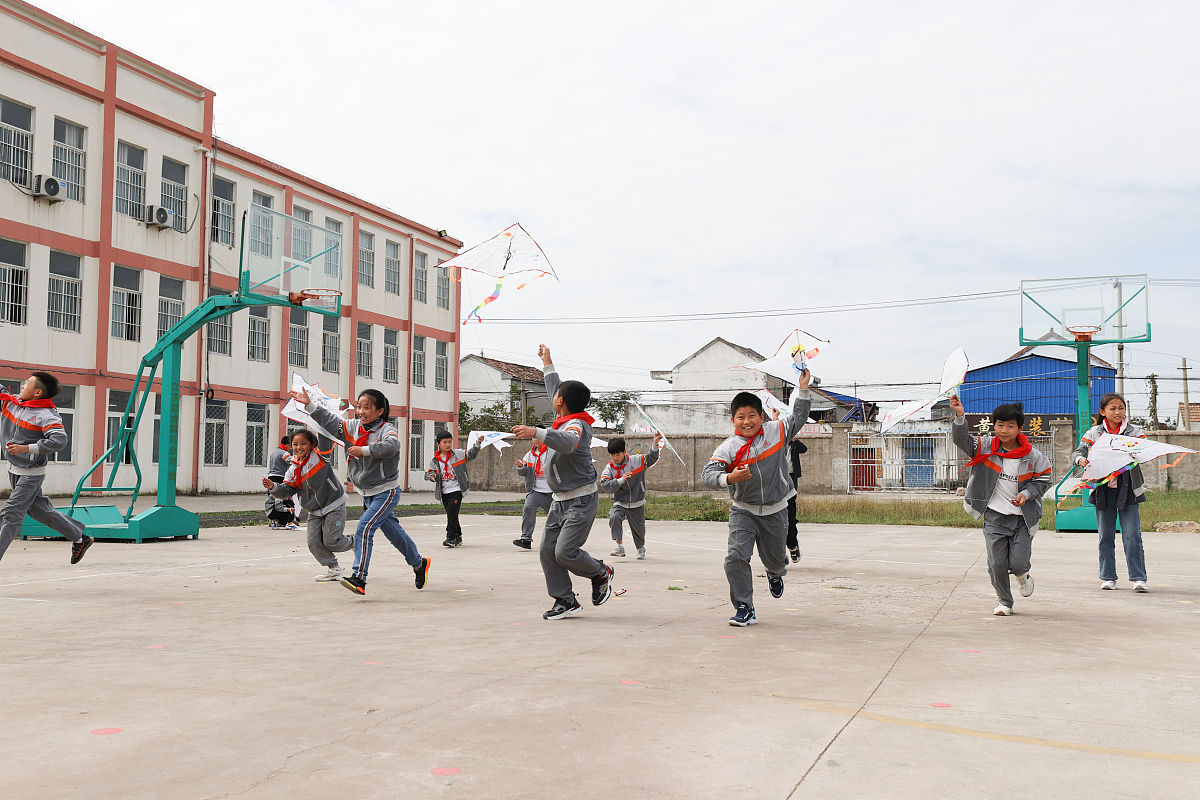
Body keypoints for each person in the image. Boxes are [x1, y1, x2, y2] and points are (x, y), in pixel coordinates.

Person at [701, 371, 812, 627]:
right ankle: (744, 606)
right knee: (736, 556)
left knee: (775, 560)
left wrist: (803, 389)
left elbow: (798, 417)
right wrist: (730, 478)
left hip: (776, 510)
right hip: (744, 511)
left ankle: (775, 572)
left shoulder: (777, 431)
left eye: (752, 415)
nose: (747, 421)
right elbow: (708, 474)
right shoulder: (728, 447)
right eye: (741, 417)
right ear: (733, 420)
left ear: (762, 417)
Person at [511, 344, 614, 621]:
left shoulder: (575, 426)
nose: (553, 395)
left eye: (556, 395)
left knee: (565, 552)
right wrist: (548, 362)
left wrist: (536, 432)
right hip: (560, 500)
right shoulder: (563, 415)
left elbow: (568, 443)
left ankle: (600, 572)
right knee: (547, 551)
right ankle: (565, 600)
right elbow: (554, 386)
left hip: (581, 499)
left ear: (561, 402)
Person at [295, 386, 430, 597]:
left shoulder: (387, 429)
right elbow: (330, 421)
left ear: (380, 411)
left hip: (386, 491)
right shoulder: (352, 427)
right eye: (359, 407)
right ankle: (419, 563)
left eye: (367, 407)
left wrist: (364, 450)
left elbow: (392, 445)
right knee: (394, 533)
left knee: (364, 528)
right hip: (366, 493)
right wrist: (310, 405)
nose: (361, 411)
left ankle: (359, 578)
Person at [950, 396, 1052, 616]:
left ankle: (1023, 575)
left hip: (1023, 518)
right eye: (1000, 425)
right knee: (996, 564)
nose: (1004, 430)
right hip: (994, 516)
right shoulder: (985, 447)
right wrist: (959, 415)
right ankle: (1004, 601)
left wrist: (1026, 494)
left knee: (1018, 563)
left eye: (1010, 426)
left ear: (1020, 428)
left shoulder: (1034, 456)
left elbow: (1043, 480)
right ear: (993, 425)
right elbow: (961, 440)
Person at [0, 372, 92, 565]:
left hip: (31, 474)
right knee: (38, 510)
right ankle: (80, 538)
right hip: (15, 469)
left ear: (37, 392)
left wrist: (28, 448)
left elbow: (59, 441)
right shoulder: (12, 402)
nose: (22, 386)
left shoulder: (46, 416)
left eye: (27, 383)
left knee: (11, 513)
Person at [1072, 392, 1150, 592]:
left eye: (1121, 408)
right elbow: (1079, 451)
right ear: (1102, 411)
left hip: (1130, 489)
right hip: (1102, 489)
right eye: (1112, 408)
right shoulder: (1094, 433)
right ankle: (1108, 577)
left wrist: (1137, 453)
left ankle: (1138, 578)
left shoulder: (1135, 431)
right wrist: (1080, 460)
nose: (1117, 412)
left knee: (1132, 535)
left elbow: (1145, 452)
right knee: (1105, 536)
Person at [263, 429, 354, 581]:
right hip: (314, 510)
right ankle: (334, 568)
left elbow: (325, 436)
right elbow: (287, 490)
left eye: (303, 443)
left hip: (334, 504)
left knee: (332, 542)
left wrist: (320, 421)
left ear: (312, 445)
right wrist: (273, 487)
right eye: (295, 444)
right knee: (313, 543)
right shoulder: (293, 468)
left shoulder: (320, 456)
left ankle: (356, 542)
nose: (299, 447)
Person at [599, 433, 661, 559]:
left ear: (624, 452)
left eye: (618, 455)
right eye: (612, 455)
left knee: (639, 529)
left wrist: (655, 443)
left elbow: (651, 458)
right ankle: (620, 547)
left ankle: (640, 548)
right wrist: (620, 480)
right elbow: (605, 484)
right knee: (614, 517)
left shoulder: (636, 461)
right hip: (620, 502)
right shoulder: (609, 468)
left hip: (637, 502)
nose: (615, 458)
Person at [424, 430, 482, 547]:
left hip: (457, 489)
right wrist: (432, 476)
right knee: (452, 514)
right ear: (438, 444)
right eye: (445, 442)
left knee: (451, 512)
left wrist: (477, 444)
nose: (448, 444)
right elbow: (429, 473)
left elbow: (471, 454)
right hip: (444, 492)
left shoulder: (458, 454)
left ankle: (450, 537)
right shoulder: (435, 460)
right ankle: (458, 537)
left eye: (449, 442)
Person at [772, 409, 809, 563]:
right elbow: (773, 431)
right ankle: (778, 555)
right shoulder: (775, 444)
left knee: (790, 520)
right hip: (775, 483)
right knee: (773, 522)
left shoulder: (794, 444)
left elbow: (804, 449)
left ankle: (793, 545)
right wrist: (775, 417)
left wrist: (794, 439)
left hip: (790, 482)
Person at [513, 436, 551, 550]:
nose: (536, 440)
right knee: (528, 507)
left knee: (558, 516)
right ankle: (526, 539)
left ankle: (565, 540)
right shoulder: (529, 455)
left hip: (553, 492)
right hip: (536, 490)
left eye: (538, 437)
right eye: (534, 438)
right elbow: (524, 472)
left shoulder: (552, 453)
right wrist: (520, 467)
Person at [265, 435, 301, 530]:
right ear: (288, 445)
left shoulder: (274, 453)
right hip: (279, 478)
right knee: (284, 500)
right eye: (292, 445)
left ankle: (275, 520)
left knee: (272, 500)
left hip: (271, 477)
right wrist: (299, 459)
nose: (291, 448)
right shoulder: (284, 453)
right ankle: (287, 520)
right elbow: (291, 461)